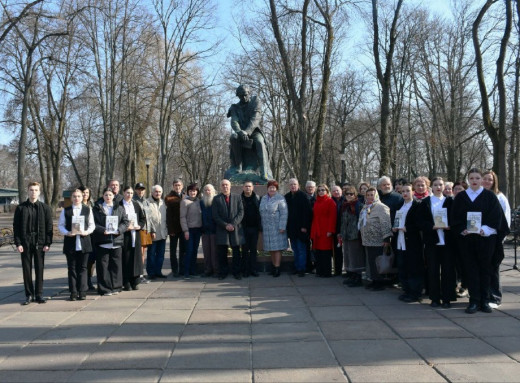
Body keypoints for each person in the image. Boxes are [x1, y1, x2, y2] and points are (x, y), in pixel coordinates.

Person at [451, 168, 507, 314]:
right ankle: (474, 301)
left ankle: (485, 301)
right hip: (467, 240)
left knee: (485, 270)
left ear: (481, 179)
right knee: (471, 270)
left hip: (485, 240)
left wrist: (486, 229)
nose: (474, 181)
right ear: (468, 180)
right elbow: (455, 217)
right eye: (472, 178)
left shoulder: (489, 196)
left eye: (477, 178)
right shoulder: (462, 197)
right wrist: (463, 229)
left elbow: (497, 218)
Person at [419, 177, 456, 308]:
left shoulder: (450, 201)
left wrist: (450, 226)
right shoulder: (425, 202)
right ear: (432, 187)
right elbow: (421, 222)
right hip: (432, 241)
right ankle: (434, 298)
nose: (438, 187)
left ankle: (447, 298)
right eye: (435, 185)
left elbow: (455, 219)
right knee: (433, 270)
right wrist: (431, 226)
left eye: (441, 185)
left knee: (447, 271)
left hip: (447, 242)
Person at [13, 182, 53, 305]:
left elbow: (49, 227)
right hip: (25, 243)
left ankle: (39, 294)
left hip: (40, 243)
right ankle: (29, 294)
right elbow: (17, 227)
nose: (33, 192)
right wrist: (18, 243)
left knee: (39, 269)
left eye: (36, 190)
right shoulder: (21, 208)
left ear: (39, 192)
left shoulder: (45, 208)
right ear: (28, 191)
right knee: (26, 269)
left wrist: (48, 243)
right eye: (31, 190)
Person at [227, 85, 273, 179]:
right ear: (238, 96)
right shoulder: (235, 107)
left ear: (249, 93)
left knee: (260, 142)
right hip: (240, 133)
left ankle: (264, 172)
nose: (243, 97)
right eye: (241, 96)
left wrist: (247, 132)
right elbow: (234, 121)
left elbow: (255, 118)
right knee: (233, 137)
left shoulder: (255, 101)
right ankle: (238, 166)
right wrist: (240, 132)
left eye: (245, 95)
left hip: (254, 131)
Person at [58, 189, 95, 301]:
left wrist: (86, 232)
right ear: (71, 198)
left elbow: (92, 225)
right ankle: (73, 292)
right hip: (70, 243)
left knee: (83, 268)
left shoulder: (87, 209)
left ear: (82, 197)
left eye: (79, 196)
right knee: (72, 268)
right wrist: (67, 233)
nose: (77, 198)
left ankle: (82, 291)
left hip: (84, 242)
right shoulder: (66, 210)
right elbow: (61, 225)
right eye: (74, 196)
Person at [92, 187, 129, 296]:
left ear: (114, 196)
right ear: (103, 196)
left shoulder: (120, 208)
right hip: (102, 241)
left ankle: (116, 287)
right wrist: (103, 230)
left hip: (116, 241)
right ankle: (104, 288)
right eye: (106, 195)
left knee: (116, 265)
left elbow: (125, 222)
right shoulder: (97, 208)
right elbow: (93, 223)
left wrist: (119, 230)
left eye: (110, 195)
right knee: (103, 266)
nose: (108, 197)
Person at [482, 170, 511, 308]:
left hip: (494, 239)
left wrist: (501, 237)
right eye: (485, 179)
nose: (487, 182)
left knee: (494, 268)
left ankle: (494, 297)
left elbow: (505, 219)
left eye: (490, 179)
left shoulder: (500, 197)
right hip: (480, 238)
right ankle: (484, 295)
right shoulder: (478, 196)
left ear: (494, 182)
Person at [393, 183, 424, 302]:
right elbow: (396, 219)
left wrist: (408, 228)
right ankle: (406, 290)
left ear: (412, 192)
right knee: (402, 266)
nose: (405, 193)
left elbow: (420, 223)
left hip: (412, 242)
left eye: (407, 191)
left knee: (413, 268)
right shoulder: (400, 205)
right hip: (400, 240)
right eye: (403, 191)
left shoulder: (417, 205)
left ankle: (415, 293)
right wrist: (394, 227)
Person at [358, 187, 392, 291]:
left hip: (378, 239)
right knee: (371, 261)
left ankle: (380, 282)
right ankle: (373, 280)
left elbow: (386, 223)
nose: (369, 197)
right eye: (367, 195)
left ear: (376, 195)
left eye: (372, 195)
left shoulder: (381, 207)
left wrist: (386, 239)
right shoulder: (365, 207)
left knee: (378, 261)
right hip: (367, 239)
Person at [212, 179, 245, 280]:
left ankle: (237, 272)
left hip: (235, 229)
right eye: (223, 185)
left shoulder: (237, 197)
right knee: (222, 252)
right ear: (220, 187)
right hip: (222, 229)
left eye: (227, 185)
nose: (225, 187)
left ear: (230, 186)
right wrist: (225, 225)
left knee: (236, 252)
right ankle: (223, 272)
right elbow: (215, 215)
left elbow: (241, 212)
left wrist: (233, 224)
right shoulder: (216, 199)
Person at [259, 180, 288, 277]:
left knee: (277, 249)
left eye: (274, 187)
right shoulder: (263, 198)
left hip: (277, 228)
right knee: (271, 249)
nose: (272, 189)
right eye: (270, 187)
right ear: (267, 188)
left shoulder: (280, 198)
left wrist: (282, 226)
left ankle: (277, 268)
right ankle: (273, 266)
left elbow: (284, 213)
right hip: (267, 228)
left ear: (276, 189)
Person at [285, 178, 312, 277]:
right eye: (291, 184)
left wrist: (305, 226)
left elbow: (307, 213)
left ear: (298, 185)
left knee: (301, 249)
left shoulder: (303, 196)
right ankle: (297, 267)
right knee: (295, 249)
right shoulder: (287, 197)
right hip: (292, 228)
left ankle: (302, 268)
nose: (293, 186)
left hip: (301, 228)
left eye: (295, 184)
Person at [120, 186, 146, 290]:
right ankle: (126, 282)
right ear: (123, 193)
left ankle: (135, 281)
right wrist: (125, 227)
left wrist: (139, 225)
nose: (129, 195)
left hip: (135, 234)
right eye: (127, 192)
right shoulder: (119, 205)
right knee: (126, 258)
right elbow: (117, 219)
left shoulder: (136, 204)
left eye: (131, 193)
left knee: (136, 258)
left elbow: (142, 218)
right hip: (125, 235)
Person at [339, 185, 364, 287]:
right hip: (346, 234)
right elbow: (342, 221)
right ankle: (351, 275)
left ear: (355, 195)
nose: (349, 196)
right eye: (347, 194)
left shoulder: (358, 205)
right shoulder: (344, 205)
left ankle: (358, 277)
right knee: (348, 256)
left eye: (351, 194)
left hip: (355, 235)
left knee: (355, 256)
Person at [310, 184, 337, 278]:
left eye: (323, 190)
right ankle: (320, 271)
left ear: (327, 191)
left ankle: (326, 272)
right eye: (319, 190)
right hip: (317, 229)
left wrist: (330, 230)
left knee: (326, 252)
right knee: (318, 251)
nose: (321, 192)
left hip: (326, 229)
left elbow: (332, 217)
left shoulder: (330, 202)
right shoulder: (317, 201)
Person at [133, 183, 155, 284]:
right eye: (138, 189)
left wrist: (152, 230)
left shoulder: (146, 201)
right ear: (135, 190)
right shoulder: (133, 201)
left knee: (143, 253)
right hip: (138, 229)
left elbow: (149, 218)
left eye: (142, 189)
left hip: (146, 229)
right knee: (139, 253)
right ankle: (139, 274)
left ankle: (140, 273)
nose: (140, 191)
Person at [180, 183, 202, 279]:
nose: (193, 192)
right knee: (189, 250)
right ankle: (186, 271)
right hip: (189, 230)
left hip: (198, 229)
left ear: (197, 192)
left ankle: (193, 270)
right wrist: (185, 230)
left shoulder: (199, 201)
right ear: (188, 192)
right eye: (191, 191)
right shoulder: (185, 202)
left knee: (195, 251)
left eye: (194, 191)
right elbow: (182, 217)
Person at [146, 185, 168, 279]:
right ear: (152, 192)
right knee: (151, 254)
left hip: (162, 233)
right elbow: (147, 219)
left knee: (160, 255)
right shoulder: (147, 202)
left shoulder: (163, 203)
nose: (157, 193)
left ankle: (158, 271)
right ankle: (151, 273)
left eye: (159, 192)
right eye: (156, 191)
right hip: (152, 234)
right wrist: (151, 230)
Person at [165, 179, 185, 277]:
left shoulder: (185, 196)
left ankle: (182, 268)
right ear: (173, 186)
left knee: (183, 249)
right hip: (174, 228)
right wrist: (170, 229)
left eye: (179, 185)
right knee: (173, 250)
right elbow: (168, 216)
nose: (177, 187)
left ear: (182, 186)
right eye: (176, 185)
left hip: (183, 227)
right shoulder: (169, 197)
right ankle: (175, 270)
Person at [241, 181, 261, 277]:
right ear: (243, 188)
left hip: (254, 228)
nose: (248, 188)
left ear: (252, 188)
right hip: (243, 229)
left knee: (253, 250)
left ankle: (254, 269)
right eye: (246, 186)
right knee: (244, 250)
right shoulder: (239, 198)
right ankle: (245, 270)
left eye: (249, 186)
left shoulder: (257, 198)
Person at [79, 186, 97, 291]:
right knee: (82, 261)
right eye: (83, 192)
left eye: (87, 192)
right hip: (81, 235)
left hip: (92, 236)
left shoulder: (92, 205)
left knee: (91, 260)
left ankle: (89, 280)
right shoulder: (78, 205)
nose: (85, 194)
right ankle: (82, 281)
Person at [200, 184, 218, 277]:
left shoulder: (216, 200)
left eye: (209, 190)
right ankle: (208, 270)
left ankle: (215, 270)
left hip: (215, 230)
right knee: (206, 251)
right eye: (206, 190)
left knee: (214, 252)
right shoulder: (201, 202)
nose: (207, 192)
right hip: (205, 231)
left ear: (213, 191)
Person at [331, 185, 344, 276]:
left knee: (345, 251)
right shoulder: (330, 201)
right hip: (334, 229)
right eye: (334, 191)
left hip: (344, 228)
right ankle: (337, 270)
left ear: (341, 191)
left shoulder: (345, 200)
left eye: (338, 190)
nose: (336, 192)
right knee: (336, 251)